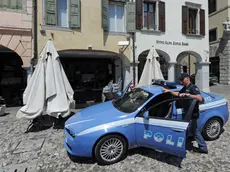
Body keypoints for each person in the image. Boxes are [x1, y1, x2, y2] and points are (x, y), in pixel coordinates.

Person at [162, 73, 208, 154]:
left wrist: (189, 95)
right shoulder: (185, 87)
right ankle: (183, 144)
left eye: (182, 80)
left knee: (195, 131)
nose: (181, 81)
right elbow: (178, 94)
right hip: (187, 113)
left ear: (187, 78)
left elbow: (200, 98)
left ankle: (203, 148)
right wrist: (169, 91)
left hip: (193, 113)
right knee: (186, 129)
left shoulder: (193, 87)